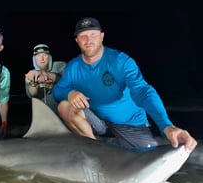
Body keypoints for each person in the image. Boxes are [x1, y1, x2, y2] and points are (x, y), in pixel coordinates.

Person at [52, 17, 197, 152]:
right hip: (98, 123)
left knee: (147, 164)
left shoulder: (121, 61)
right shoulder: (73, 67)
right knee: (65, 106)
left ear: (102, 36)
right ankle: (94, 149)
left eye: (93, 34)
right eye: (83, 36)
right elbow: (58, 90)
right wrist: (69, 93)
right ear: (77, 40)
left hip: (129, 123)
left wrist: (167, 126)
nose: (88, 40)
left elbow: (143, 91)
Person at [25, 44, 66, 114]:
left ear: (49, 57)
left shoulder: (60, 66)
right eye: (38, 56)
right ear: (34, 59)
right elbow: (32, 95)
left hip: (61, 113)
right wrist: (33, 82)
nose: (42, 58)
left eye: (45, 55)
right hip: (42, 115)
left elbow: (67, 81)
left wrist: (46, 74)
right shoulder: (31, 74)